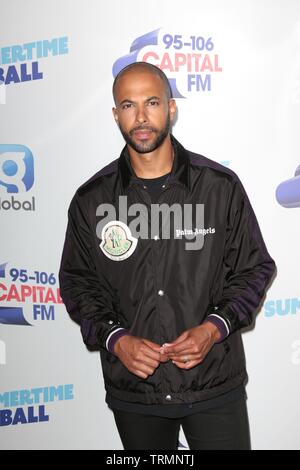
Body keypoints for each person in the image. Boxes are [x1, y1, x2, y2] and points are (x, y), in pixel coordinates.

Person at [59, 62, 276, 450]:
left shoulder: (219, 188)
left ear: (171, 108)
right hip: (136, 391)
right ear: (115, 114)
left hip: (213, 384)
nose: (141, 117)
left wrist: (214, 328)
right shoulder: (91, 199)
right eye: (128, 105)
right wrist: (115, 338)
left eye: (152, 102)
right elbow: (78, 283)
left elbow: (254, 268)